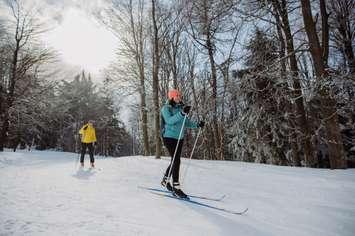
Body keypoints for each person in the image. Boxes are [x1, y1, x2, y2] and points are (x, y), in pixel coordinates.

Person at [160, 89, 205, 198]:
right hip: (169, 137)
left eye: (180, 95)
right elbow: (169, 120)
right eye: (177, 96)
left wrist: (197, 125)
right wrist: (182, 113)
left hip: (179, 138)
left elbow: (186, 122)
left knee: (174, 160)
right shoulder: (166, 108)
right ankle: (176, 187)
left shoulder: (180, 108)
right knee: (176, 160)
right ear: (171, 97)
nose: (179, 97)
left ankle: (165, 180)